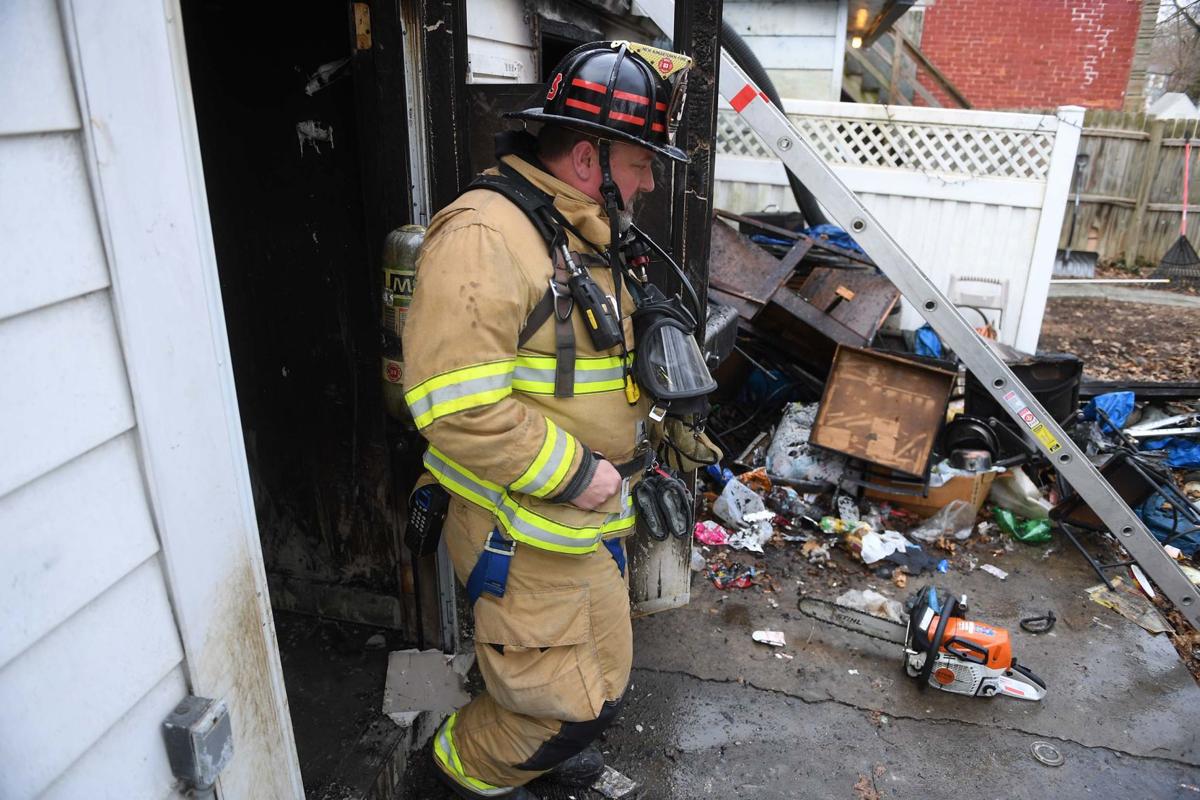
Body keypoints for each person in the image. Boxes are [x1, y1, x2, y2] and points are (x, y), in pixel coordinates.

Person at [402, 41, 698, 799]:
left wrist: (651, 439)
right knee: (561, 709)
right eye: (641, 162)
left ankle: (531, 751)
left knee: (590, 681)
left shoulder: (575, 234)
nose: (652, 181)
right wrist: (579, 472)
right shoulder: (487, 236)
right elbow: (454, 403)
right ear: (588, 159)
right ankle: (437, 779)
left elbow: (585, 372)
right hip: (522, 523)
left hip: (575, 522)